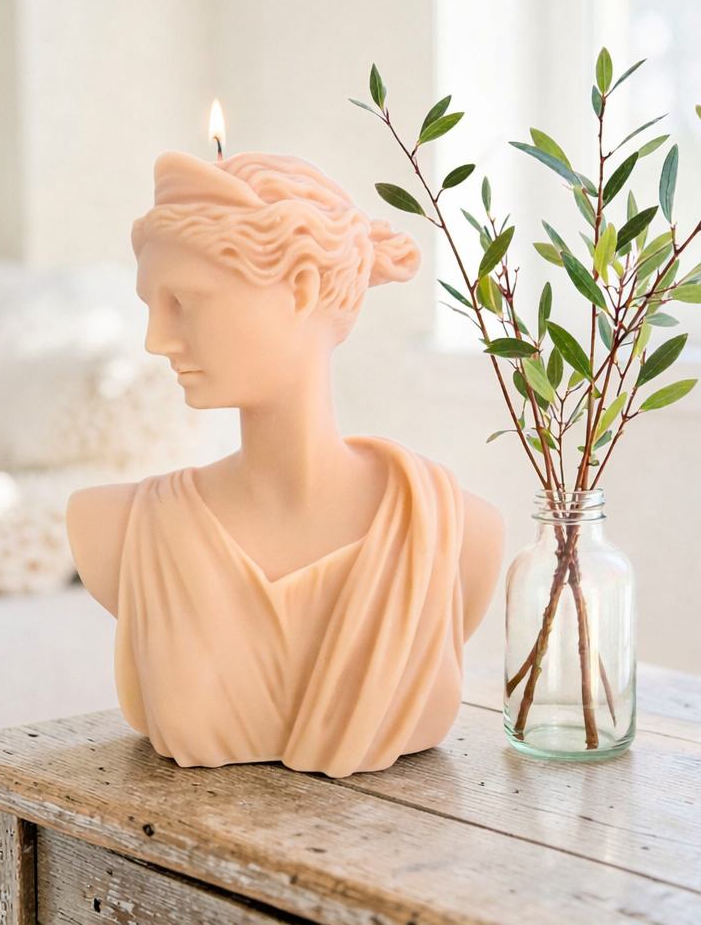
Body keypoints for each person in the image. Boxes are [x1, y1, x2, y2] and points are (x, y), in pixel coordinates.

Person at [67, 151, 504, 777]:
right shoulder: (113, 526)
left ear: (300, 286)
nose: (155, 339)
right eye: (150, 306)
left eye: (184, 301)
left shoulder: (457, 531)